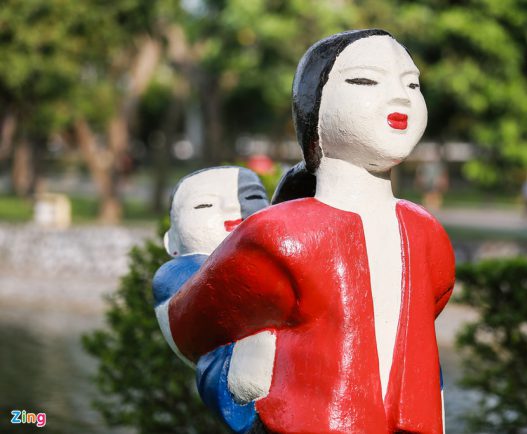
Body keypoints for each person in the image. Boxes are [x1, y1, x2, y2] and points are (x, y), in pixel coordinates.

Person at [162, 29, 455, 433]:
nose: (400, 98)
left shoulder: (426, 233)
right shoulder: (278, 236)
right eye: (365, 81)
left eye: (412, 84)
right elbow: (193, 324)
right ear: (314, 110)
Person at [152, 166, 269, 432]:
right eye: (204, 206)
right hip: (238, 391)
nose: (234, 211)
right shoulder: (175, 276)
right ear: (172, 243)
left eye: (252, 198)